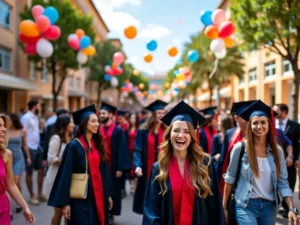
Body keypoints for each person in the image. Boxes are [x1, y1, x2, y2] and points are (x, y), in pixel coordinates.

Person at [143, 100, 225, 225]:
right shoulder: (159, 169)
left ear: (192, 136)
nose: (181, 135)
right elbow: (152, 210)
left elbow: (214, 206)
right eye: (176, 130)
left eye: (187, 131)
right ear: (169, 134)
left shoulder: (205, 165)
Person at [223, 100, 298, 225]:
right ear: (250, 126)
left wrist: (291, 208)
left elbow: (283, 182)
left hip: (270, 207)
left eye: (263, 122)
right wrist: (224, 207)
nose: (259, 126)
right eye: (255, 123)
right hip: (246, 205)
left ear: (269, 125)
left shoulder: (277, 151)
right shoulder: (240, 148)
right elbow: (229, 180)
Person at [48, 105, 113, 225]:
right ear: (84, 124)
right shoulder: (74, 146)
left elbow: (104, 172)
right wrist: (65, 203)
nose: (97, 124)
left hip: (98, 195)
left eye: (98, 121)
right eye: (93, 121)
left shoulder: (97, 144)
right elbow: (66, 175)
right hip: (80, 198)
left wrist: (108, 194)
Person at [133, 100, 168, 215]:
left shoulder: (168, 131)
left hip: (164, 171)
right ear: (153, 114)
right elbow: (138, 150)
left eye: (163, 113)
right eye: (159, 113)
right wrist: (138, 165)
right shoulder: (143, 131)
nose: (161, 115)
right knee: (148, 202)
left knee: (163, 200)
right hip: (147, 172)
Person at [0, 114, 35, 225]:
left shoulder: (6, 154)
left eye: (4, 126)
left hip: (2, 207)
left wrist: (25, 207)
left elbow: (11, 185)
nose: (4, 129)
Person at [99, 102, 132, 220]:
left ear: (111, 115)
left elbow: (122, 150)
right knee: (101, 189)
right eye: (101, 113)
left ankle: (111, 214)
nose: (101, 115)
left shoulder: (117, 131)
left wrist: (120, 168)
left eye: (104, 113)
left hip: (113, 166)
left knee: (113, 191)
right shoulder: (99, 129)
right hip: (101, 165)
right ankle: (103, 213)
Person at [219, 100, 255, 194]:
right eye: (244, 117)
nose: (248, 120)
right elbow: (223, 160)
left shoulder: (257, 134)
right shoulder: (230, 133)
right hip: (232, 180)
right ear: (236, 118)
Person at [44, 115, 74, 225]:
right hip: (56, 178)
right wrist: (66, 162)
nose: (73, 125)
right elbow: (50, 158)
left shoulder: (72, 138)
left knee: (69, 212)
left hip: (68, 179)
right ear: (65, 125)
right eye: (71, 122)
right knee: (58, 212)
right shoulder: (56, 138)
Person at [272, 103, 300, 218]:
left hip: (289, 160)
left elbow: (296, 144)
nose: (274, 113)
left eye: (276, 111)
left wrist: (295, 158)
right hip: (274, 160)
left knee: (289, 181)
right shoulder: (271, 124)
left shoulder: (295, 126)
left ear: (284, 111)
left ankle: (287, 206)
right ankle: (281, 204)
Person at [21, 100, 46, 205]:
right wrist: (26, 152)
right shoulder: (26, 117)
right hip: (29, 148)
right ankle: (32, 195)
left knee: (41, 171)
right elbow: (23, 134)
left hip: (38, 147)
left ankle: (40, 193)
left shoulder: (35, 117)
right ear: (34, 106)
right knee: (30, 172)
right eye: (39, 106)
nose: (39, 108)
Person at [7, 113, 32, 213]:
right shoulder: (4, 131)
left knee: (16, 182)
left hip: (18, 159)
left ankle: (18, 202)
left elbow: (25, 145)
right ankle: (8, 209)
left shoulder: (22, 131)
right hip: (7, 159)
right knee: (8, 183)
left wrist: (28, 157)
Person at [211, 114, 234, 180]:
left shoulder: (233, 137)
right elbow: (212, 156)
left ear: (223, 124)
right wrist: (215, 157)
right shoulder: (217, 137)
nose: (217, 123)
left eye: (219, 121)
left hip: (230, 167)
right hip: (220, 168)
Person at [127, 112, 140, 195]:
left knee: (135, 168)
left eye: (134, 118)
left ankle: (134, 186)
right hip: (128, 151)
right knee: (129, 169)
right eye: (131, 118)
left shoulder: (139, 129)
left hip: (135, 151)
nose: (133, 120)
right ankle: (131, 185)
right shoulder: (128, 129)